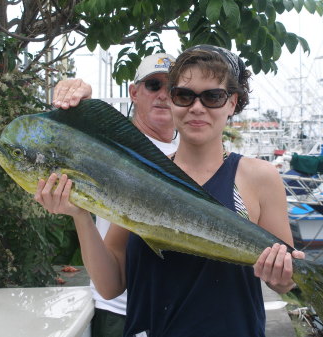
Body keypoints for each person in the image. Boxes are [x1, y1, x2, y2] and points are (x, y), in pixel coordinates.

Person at [37, 45, 304, 337]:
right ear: (172, 100)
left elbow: (284, 282)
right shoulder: (141, 175)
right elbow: (111, 285)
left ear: (232, 102)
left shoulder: (260, 177)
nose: (197, 107)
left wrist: (284, 277)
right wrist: (79, 215)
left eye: (213, 96)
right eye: (184, 96)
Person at [43, 52, 177, 337]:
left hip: (178, 311)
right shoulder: (109, 142)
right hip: (118, 307)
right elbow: (69, 126)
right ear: (134, 92)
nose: (164, 95)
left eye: (174, 88)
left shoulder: (191, 150)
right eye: (154, 85)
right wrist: (78, 97)